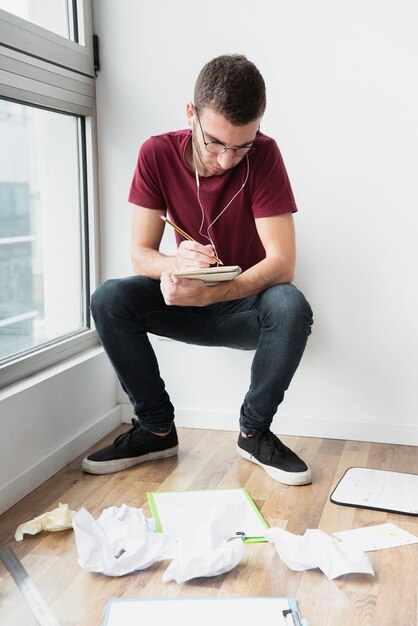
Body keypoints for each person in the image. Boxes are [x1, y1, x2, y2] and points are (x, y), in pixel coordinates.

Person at [82, 54, 313, 486]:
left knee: (290, 304)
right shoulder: (155, 153)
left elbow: (283, 263)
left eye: (242, 145)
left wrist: (216, 293)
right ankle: (155, 429)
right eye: (215, 143)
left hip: (244, 307)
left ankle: (254, 433)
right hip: (184, 301)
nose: (227, 160)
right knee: (109, 298)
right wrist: (173, 266)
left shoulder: (265, 155)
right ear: (190, 114)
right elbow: (140, 253)